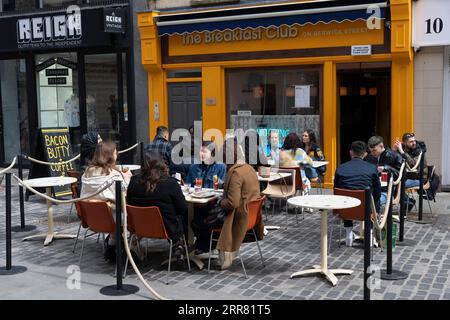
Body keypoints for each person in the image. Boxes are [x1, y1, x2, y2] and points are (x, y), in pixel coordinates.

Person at [191, 138, 264, 269]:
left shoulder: (235, 172)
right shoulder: (249, 169)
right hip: (250, 216)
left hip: (236, 218)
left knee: (197, 221)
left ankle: (206, 247)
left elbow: (232, 202)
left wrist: (220, 203)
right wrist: (224, 186)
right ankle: (208, 247)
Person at [126, 150, 188, 263]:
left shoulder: (134, 181)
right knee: (181, 215)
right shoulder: (170, 183)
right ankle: (178, 246)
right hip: (167, 228)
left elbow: (128, 203)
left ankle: (134, 244)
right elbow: (182, 208)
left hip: (140, 227)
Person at [80, 140, 132, 261]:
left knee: (113, 212)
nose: (117, 154)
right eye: (115, 152)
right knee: (131, 215)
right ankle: (123, 248)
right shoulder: (113, 176)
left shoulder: (86, 173)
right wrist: (127, 179)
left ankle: (111, 247)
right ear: (110, 155)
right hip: (111, 218)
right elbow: (124, 197)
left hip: (91, 218)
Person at [334, 141, 382, 247]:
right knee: (376, 198)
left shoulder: (340, 168)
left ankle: (348, 235)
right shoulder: (371, 168)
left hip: (345, 209)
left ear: (351, 152)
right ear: (365, 154)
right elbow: (378, 192)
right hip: (366, 209)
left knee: (344, 196)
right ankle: (369, 233)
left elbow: (336, 190)